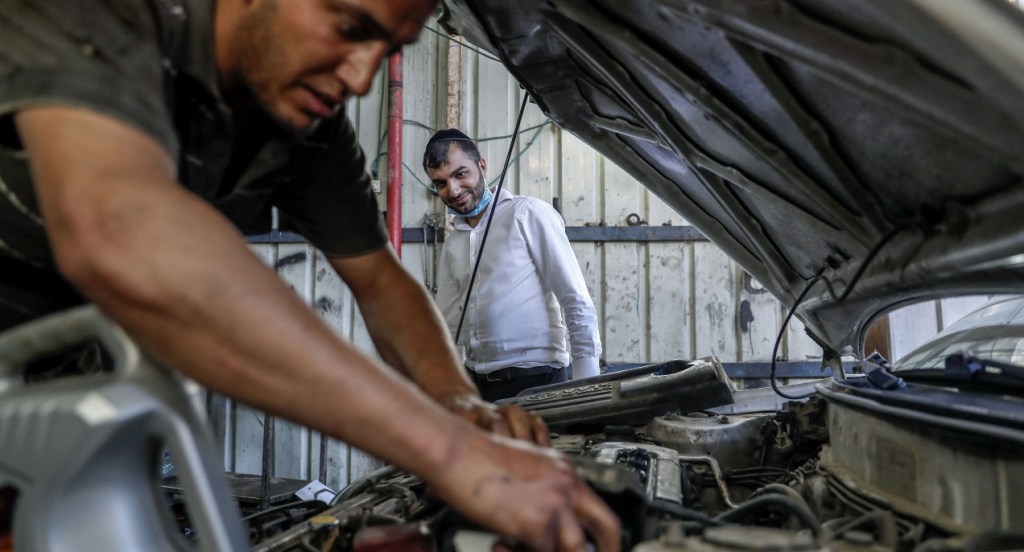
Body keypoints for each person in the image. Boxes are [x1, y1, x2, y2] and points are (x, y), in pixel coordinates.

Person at [0, 0, 620, 550]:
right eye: (349, 26)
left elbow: (380, 281)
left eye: (388, 47)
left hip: (78, 412)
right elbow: (116, 231)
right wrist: (447, 450)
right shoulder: (101, 13)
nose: (360, 76)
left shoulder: (306, 125)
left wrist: (460, 407)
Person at [424, 129, 603, 401]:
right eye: (441, 183)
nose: (454, 190)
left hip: (536, 380)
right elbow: (450, 325)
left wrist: (587, 386)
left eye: (461, 174)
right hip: (478, 387)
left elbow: (574, 298)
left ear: (482, 166)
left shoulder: (527, 214)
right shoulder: (453, 243)